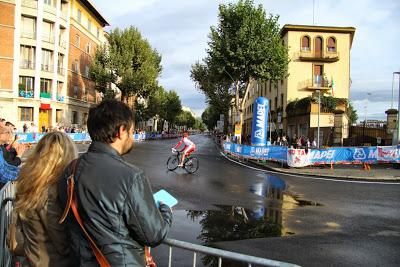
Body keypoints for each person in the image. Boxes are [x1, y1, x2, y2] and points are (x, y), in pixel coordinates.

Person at [58, 100, 172, 266]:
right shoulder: (131, 175)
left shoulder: (71, 169)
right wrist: (166, 210)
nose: (132, 138)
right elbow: (154, 235)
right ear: (121, 131)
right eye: (132, 132)